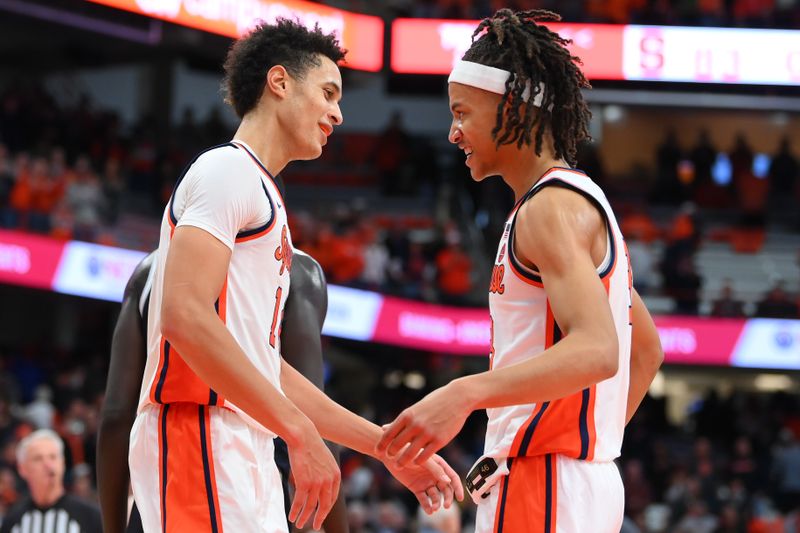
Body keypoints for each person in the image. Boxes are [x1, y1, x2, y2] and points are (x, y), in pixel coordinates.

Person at [125, 18, 461, 533]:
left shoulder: (264, 197)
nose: (338, 113)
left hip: (245, 440)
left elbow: (264, 366)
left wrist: (382, 446)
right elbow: (183, 315)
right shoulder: (226, 171)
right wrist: (300, 434)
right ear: (279, 83)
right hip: (195, 430)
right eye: (328, 93)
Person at [377, 9, 663, 533]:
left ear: (510, 107)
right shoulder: (577, 200)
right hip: (576, 484)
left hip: (544, 488)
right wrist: (579, 445)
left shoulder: (548, 208)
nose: (452, 133)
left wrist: (465, 393)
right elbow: (643, 349)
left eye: (461, 113)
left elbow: (601, 349)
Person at [98, 247, 350, 533]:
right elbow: (314, 412)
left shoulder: (151, 270)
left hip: (161, 480)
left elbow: (116, 416)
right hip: (246, 481)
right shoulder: (296, 270)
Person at [1, 430, 102, 533]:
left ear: (62, 464)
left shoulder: (90, 516)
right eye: (38, 459)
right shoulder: (13, 521)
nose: (48, 465)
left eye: (53, 457)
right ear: (22, 468)